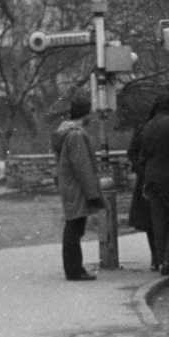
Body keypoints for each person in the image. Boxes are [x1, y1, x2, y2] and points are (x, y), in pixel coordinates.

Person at [136, 93, 169, 278]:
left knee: (159, 222)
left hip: (151, 179)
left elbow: (142, 155)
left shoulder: (149, 125)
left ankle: (162, 263)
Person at [53, 92, 104, 282]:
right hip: (77, 188)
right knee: (75, 228)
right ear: (85, 114)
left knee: (73, 227)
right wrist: (92, 194)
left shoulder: (66, 132)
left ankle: (73, 268)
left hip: (70, 186)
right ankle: (75, 270)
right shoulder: (76, 135)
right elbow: (83, 167)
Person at [126, 103, 158, 264]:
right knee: (151, 219)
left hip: (148, 177)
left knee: (153, 220)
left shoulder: (143, 127)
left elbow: (131, 152)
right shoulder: (143, 128)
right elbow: (132, 151)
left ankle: (158, 256)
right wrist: (142, 170)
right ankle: (156, 256)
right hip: (147, 179)